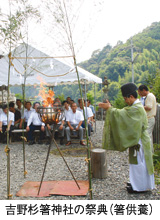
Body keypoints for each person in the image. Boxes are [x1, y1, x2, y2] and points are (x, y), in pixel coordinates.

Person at [99, 82, 155, 193]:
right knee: (137, 163)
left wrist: (110, 108)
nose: (125, 101)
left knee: (138, 163)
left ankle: (139, 187)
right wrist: (110, 108)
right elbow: (124, 114)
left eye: (125, 98)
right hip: (138, 139)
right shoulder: (135, 107)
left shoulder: (137, 108)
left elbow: (122, 115)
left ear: (131, 96)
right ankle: (137, 184)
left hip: (140, 141)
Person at [138, 85, 157, 152]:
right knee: (149, 136)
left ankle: (147, 153)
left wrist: (140, 106)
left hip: (149, 118)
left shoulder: (149, 96)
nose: (140, 94)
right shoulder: (149, 96)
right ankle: (150, 153)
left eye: (140, 92)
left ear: (143, 90)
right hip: (149, 118)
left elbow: (149, 107)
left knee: (146, 136)